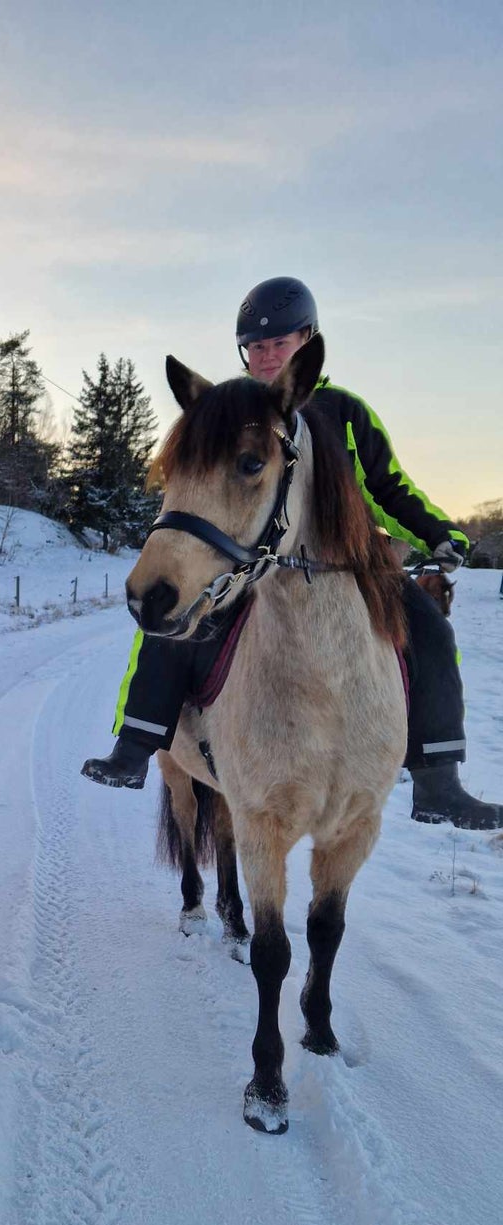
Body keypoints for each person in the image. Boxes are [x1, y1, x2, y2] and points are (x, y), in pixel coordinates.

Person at [82, 276, 502, 830]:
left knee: (430, 629)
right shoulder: (231, 414)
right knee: (174, 622)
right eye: (256, 347)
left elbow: (388, 489)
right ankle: (136, 743)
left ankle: (438, 778)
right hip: (253, 559)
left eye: (280, 343)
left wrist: (441, 534)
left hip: (350, 560)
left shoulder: (345, 412)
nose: (266, 355)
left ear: (308, 341)